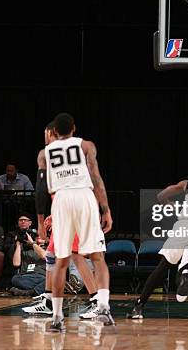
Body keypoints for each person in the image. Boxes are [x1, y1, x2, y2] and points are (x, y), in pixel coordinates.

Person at [127, 158, 188, 319]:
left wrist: (169, 205)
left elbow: (161, 195)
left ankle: (139, 306)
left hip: (184, 226)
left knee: (162, 267)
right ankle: (186, 274)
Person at [45, 112, 114, 331]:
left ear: (54, 132)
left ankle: (56, 317)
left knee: (61, 261)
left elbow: (40, 190)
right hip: (83, 196)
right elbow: (96, 178)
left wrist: (39, 219)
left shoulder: (44, 152)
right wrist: (106, 209)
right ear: (74, 128)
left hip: (61, 198)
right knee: (98, 257)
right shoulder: (86, 146)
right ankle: (103, 307)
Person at [9, 212, 47, 296]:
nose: (39, 237)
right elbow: (16, 263)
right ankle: (37, 290)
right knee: (15, 279)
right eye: (37, 236)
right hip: (26, 276)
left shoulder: (47, 248)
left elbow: (45, 256)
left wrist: (33, 244)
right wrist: (19, 243)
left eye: (41, 235)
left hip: (42, 276)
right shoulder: (27, 249)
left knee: (53, 279)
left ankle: (28, 292)